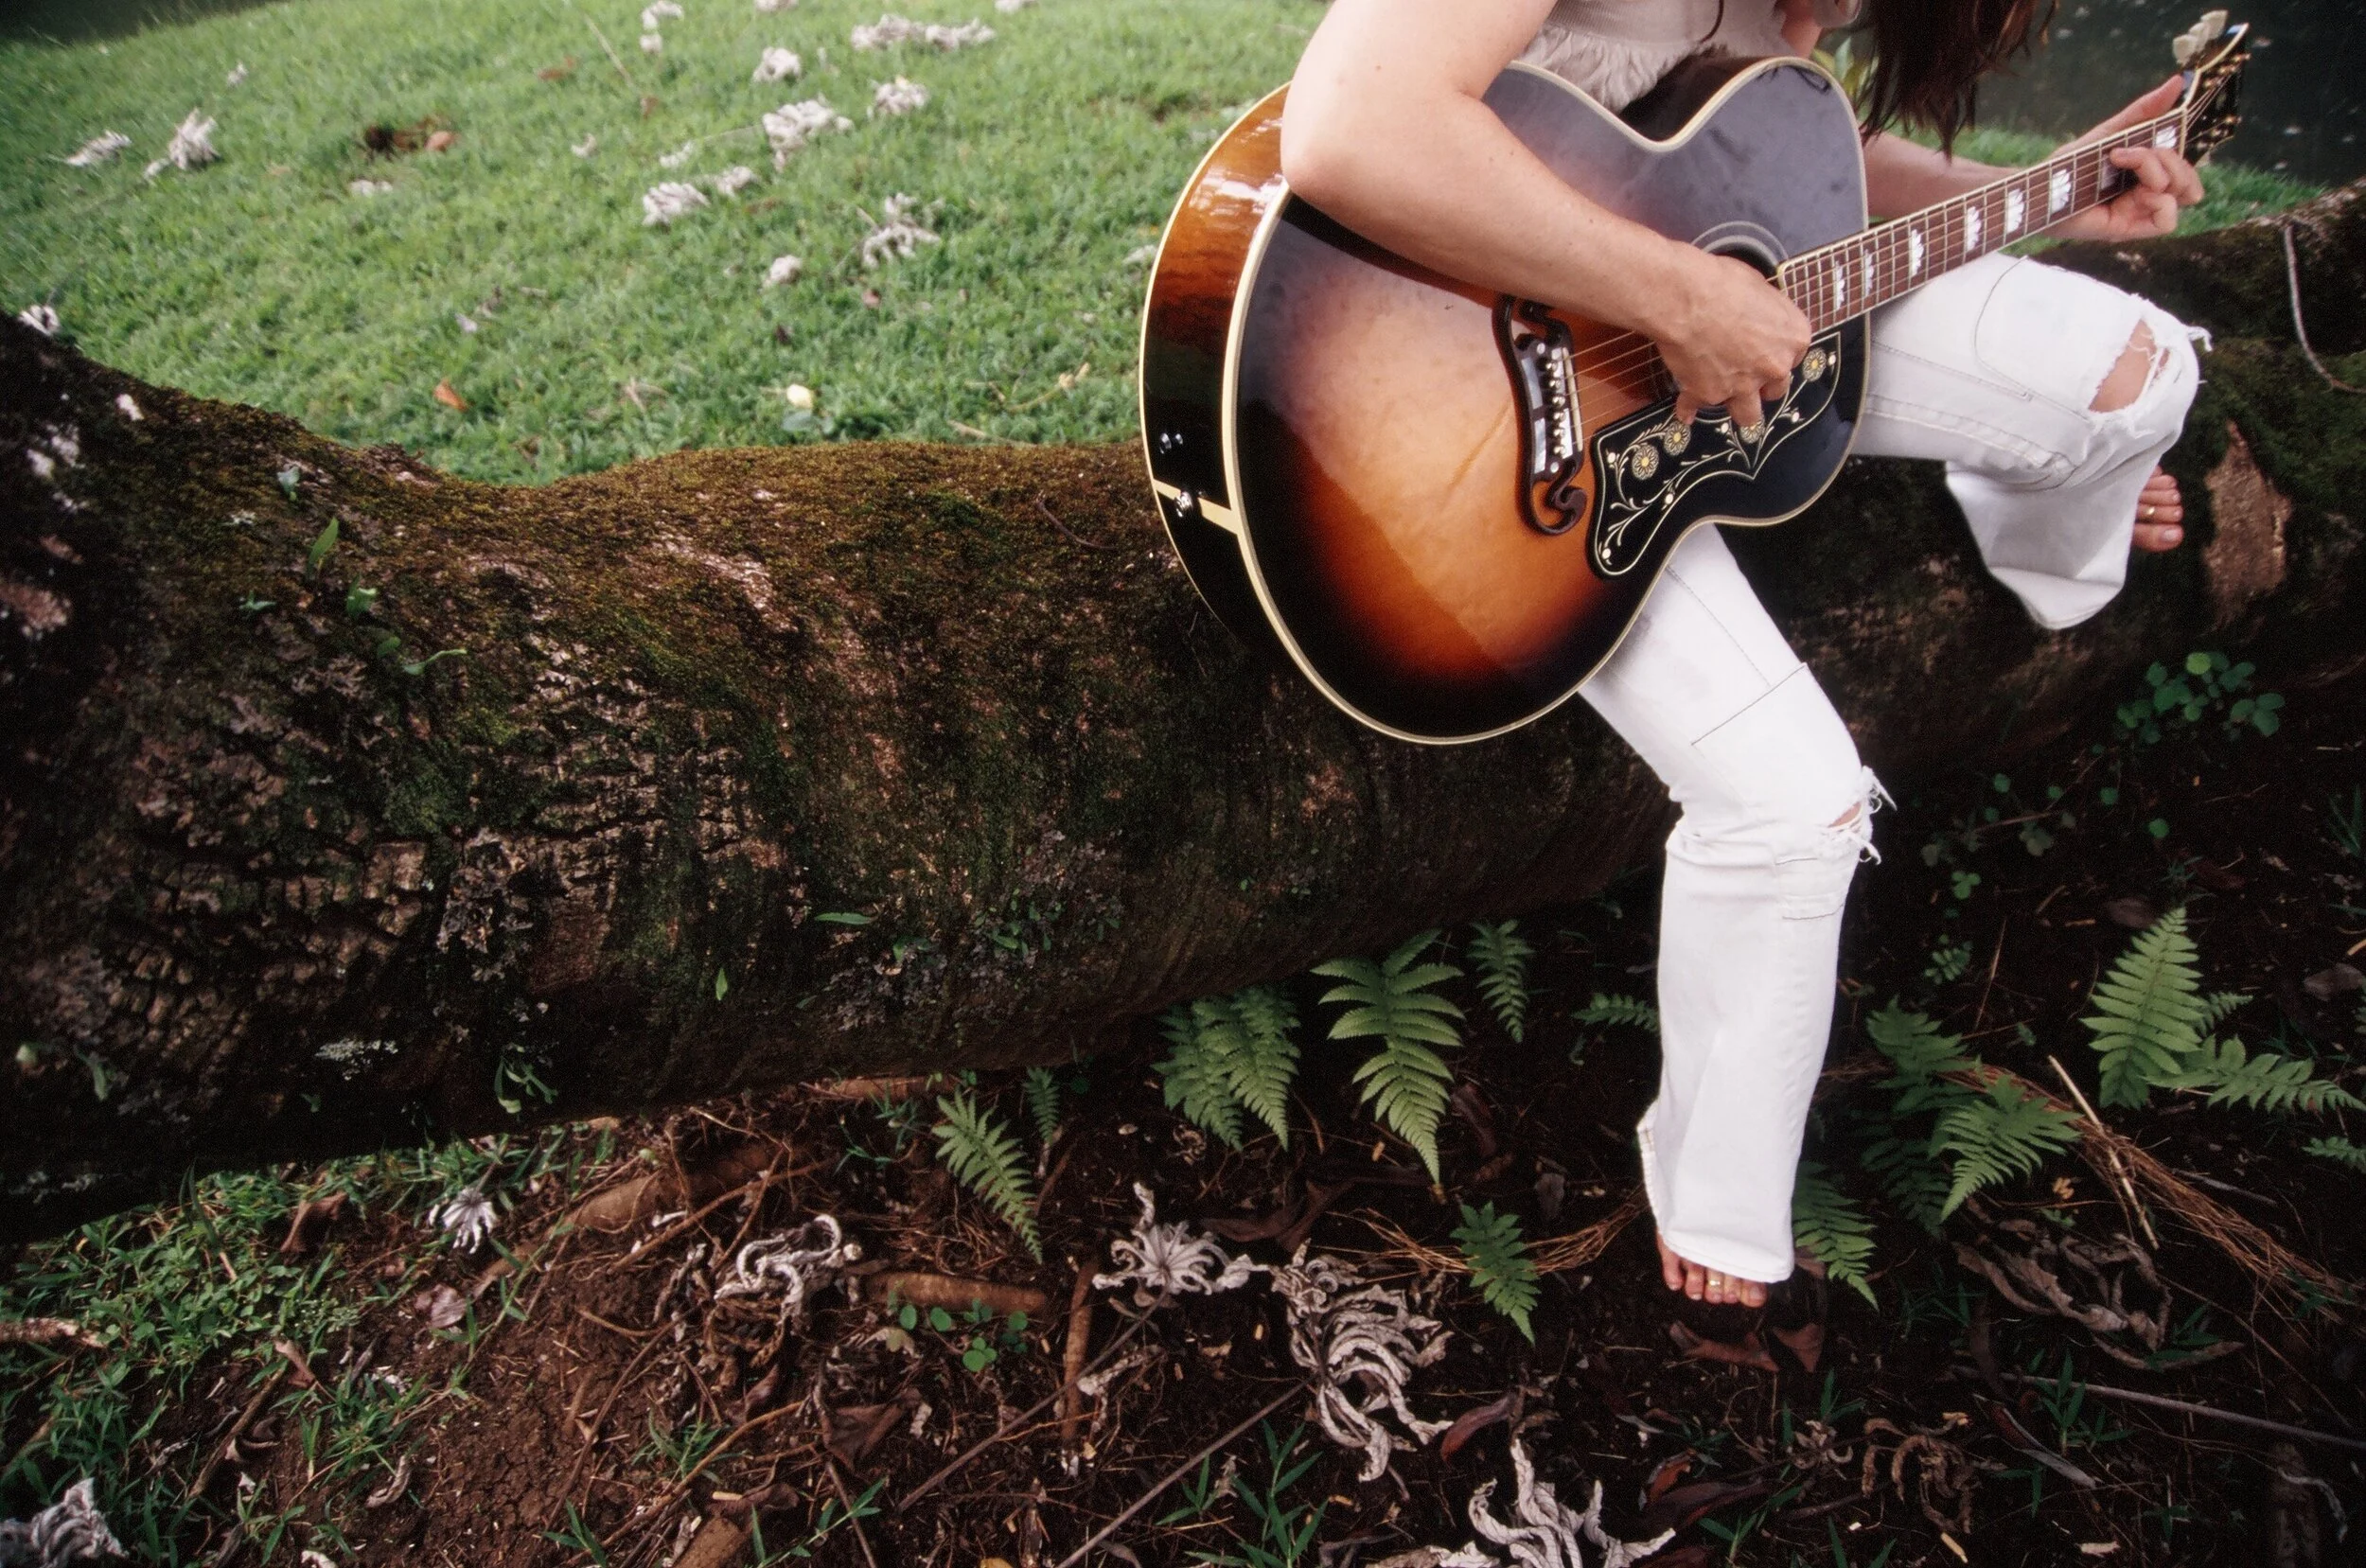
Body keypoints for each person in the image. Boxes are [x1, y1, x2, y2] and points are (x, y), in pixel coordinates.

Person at [1280, 0, 2205, 1308]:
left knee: (2137, 371)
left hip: (1699, 327)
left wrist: (2042, 188)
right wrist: (1679, 297)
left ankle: (2044, 511)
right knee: (1794, 803)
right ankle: (1716, 1202)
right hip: (1475, 407)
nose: (1831, 19)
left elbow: (1773, 143)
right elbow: (1351, 126)